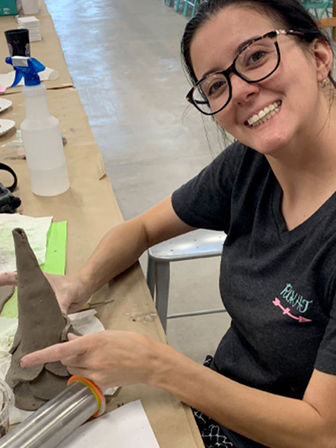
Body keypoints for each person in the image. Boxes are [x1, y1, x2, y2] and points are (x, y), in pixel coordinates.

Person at [2, 0, 336, 446]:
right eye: (216, 85)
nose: (239, 91)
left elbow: (321, 431)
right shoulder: (251, 165)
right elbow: (140, 229)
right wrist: (80, 284)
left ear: (318, 56)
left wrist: (159, 366)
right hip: (223, 400)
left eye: (256, 56)